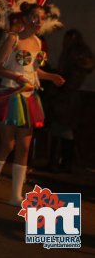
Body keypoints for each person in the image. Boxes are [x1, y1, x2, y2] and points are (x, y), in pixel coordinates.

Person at [0, 2, 65, 206]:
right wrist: (16, 78)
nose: (39, 21)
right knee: (7, 144)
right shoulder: (13, 38)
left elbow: (34, 71)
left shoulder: (38, 42)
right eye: (35, 17)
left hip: (29, 97)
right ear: (26, 19)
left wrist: (52, 77)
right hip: (10, 94)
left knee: (25, 147)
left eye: (42, 18)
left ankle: (16, 195)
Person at [48, 29, 95, 173]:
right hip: (67, 95)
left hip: (66, 95)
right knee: (60, 130)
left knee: (63, 130)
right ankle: (59, 162)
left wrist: (60, 86)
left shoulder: (72, 55)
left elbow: (70, 78)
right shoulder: (75, 56)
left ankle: (61, 163)